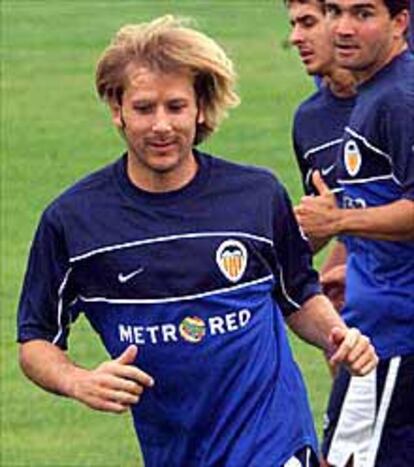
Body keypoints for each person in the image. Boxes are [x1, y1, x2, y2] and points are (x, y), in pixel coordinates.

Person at [17, 15, 377, 467]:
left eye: (176, 106)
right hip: (175, 450)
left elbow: (297, 294)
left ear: (200, 108)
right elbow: (36, 340)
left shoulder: (257, 196)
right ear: (117, 109)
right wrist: (77, 381)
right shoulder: (74, 222)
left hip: (274, 444)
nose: (161, 126)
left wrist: (337, 337)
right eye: (145, 108)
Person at [295, 0, 414, 465]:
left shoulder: (400, 99)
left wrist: (340, 220)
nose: (343, 28)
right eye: (334, 11)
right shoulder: (374, 94)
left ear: (400, 22)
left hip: (394, 337)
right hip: (374, 325)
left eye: (363, 14)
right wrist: (350, 259)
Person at [285, 0, 356, 315]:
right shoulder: (309, 120)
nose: (296, 38)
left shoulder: (399, 98)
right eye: (293, 25)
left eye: (308, 23)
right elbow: (327, 216)